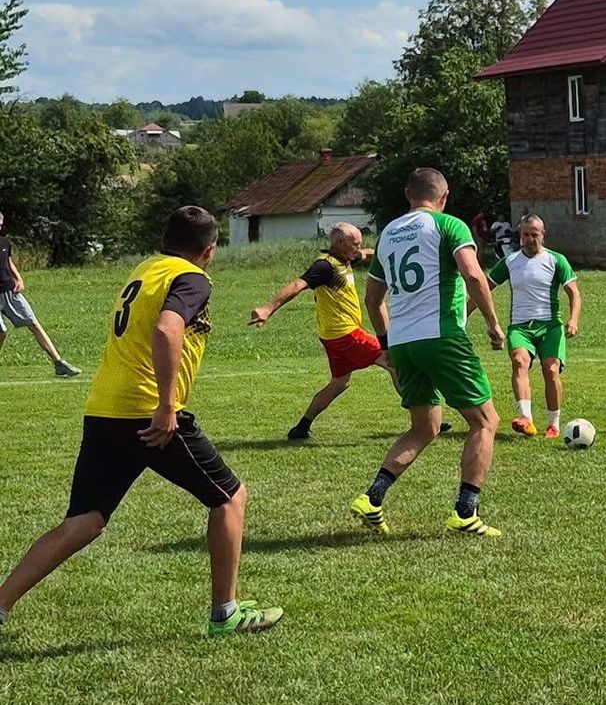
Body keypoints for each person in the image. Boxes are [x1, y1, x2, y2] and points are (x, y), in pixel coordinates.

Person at [0, 207, 282, 639]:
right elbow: (168, 330)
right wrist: (167, 407)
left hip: (105, 407)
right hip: (146, 412)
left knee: (86, 520)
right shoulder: (192, 278)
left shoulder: (146, 268)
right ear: (209, 251)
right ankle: (225, 613)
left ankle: (1, 604)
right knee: (230, 498)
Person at [352, 169, 507, 538]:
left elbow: (372, 299)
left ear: (408, 194)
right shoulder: (448, 225)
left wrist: (386, 343)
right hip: (440, 335)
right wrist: (493, 323)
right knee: (485, 421)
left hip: (403, 342)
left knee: (425, 427)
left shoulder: (388, 233)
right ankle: (465, 512)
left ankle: (372, 498)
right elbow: (473, 276)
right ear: (445, 195)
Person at [249, 223, 395, 439]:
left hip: (332, 336)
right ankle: (424, 420)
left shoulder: (345, 259)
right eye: (354, 244)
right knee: (395, 361)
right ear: (339, 243)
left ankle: (301, 427)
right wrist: (268, 308)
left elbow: (365, 255)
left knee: (339, 383)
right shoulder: (325, 267)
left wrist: (388, 253)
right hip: (346, 334)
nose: (358, 249)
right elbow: (298, 284)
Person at [486, 214, 581, 439]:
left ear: (543, 235)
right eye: (525, 234)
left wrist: (573, 319)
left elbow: (574, 293)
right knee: (520, 362)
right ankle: (526, 419)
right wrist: (463, 316)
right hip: (520, 327)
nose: (529, 239)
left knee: (550, 370)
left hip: (550, 326)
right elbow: (483, 289)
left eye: (534, 235)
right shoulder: (510, 262)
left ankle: (553, 424)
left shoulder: (556, 260)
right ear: (519, 235)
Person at [0, 208, 83, 377]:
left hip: (10, 291)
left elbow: (8, 263)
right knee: (1, 331)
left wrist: (19, 278)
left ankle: (59, 363)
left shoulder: (5, 242)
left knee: (34, 323)